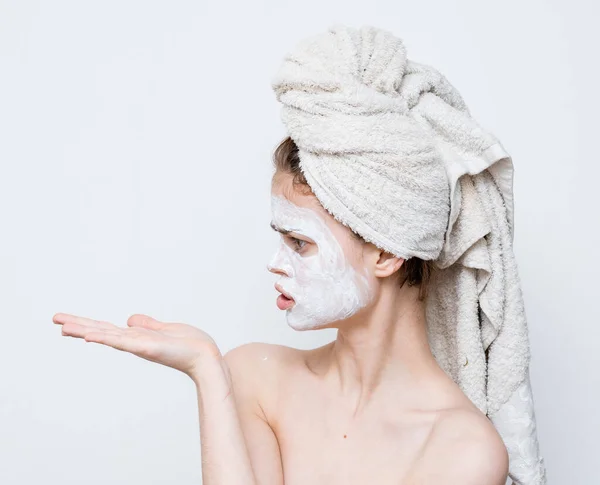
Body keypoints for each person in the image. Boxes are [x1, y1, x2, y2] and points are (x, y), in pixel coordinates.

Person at [53, 132, 509, 485]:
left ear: (386, 255)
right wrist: (207, 373)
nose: (275, 262)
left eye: (299, 243)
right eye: (280, 238)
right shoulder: (255, 378)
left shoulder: (462, 449)